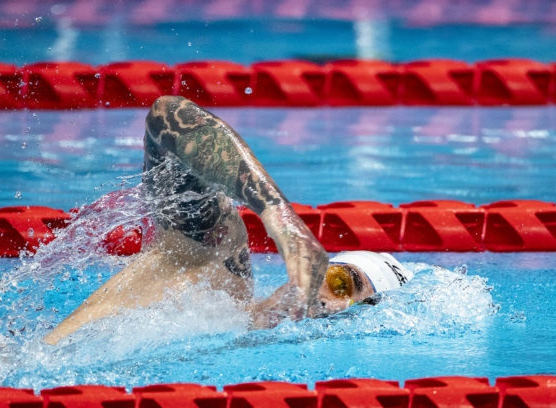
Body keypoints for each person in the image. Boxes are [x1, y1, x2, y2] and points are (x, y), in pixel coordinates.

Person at [43, 96, 412, 344]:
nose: (332, 308)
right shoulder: (220, 262)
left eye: (355, 316)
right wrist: (280, 216)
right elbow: (166, 114)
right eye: (341, 283)